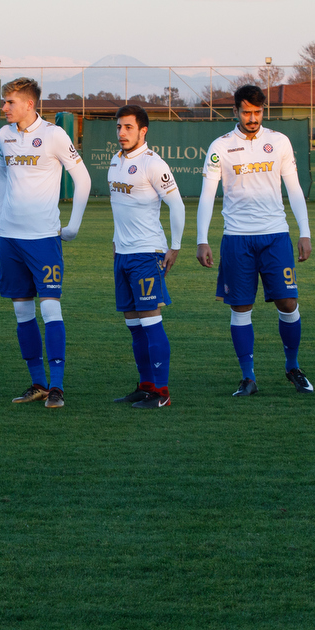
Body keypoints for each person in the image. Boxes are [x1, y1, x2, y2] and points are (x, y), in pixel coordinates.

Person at [196, 84, 313, 397]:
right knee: (241, 308)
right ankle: (248, 377)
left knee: (288, 303)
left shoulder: (279, 142)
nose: (252, 118)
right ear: (235, 111)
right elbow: (208, 193)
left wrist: (305, 231)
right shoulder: (220, 146)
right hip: (237, 239)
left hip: (275, 236)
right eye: (246, 112)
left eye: (257, 112)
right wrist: (202, 239)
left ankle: (293, 366)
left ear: (264, 111)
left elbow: (295, 188)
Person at [0, 78, 92, 409]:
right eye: (4, 101)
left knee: (50, 307)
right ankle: (37, 383)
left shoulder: (54, 135)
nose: (4, 107)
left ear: (28, 105)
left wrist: (74, 225)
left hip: (43, 238)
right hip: (10, 238)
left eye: (9, 102)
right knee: (22, 311)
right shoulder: (3, 136)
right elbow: (1, 173)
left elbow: (83, 178)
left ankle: (57, 386)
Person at [106, 105, 185, 409]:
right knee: (133, 324)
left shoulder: (154, 164)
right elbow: (119, 208)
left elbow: (177, 206)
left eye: (128, 127)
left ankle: (161, 392)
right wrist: (115, 241)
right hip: (123, 254)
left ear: (143, 131)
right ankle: (146, 385)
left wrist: (174, 247)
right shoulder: (115, 161)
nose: (122, 133)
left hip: (147, 253)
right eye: (119, 128)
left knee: (151, 321)